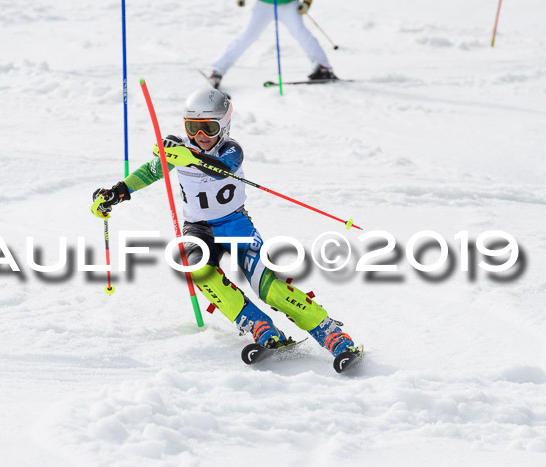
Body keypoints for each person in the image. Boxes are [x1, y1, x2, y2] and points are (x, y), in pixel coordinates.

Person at [91, 88, 356, 359]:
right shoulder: (181, 148)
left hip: (235, 225)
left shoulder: (231, 149)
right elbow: (150, 171)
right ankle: (258, 326)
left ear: (225, 125)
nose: (200, 136)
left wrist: (190, 157)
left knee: (268, 288)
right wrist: (116, 193)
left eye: (208, 127)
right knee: (198, 270)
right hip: (198, 229)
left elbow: (223, 168)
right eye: (192, 128)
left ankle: (331, 333)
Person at [207, 0, 336, 88]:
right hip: (264, 4)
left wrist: (307, 2)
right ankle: (217, 70)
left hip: (289, 4)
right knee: (247, 36)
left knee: (301, 33)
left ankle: (323, 67)